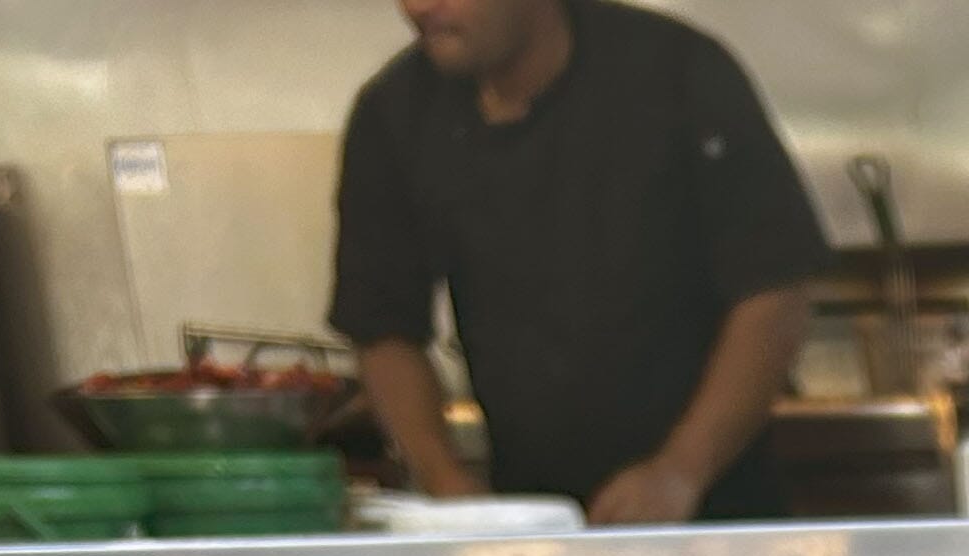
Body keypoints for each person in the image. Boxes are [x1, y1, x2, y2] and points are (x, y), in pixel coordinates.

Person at [329, 0, 826, 523]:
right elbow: (382, 325)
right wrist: (443, 480)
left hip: (714, 521)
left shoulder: (676, 74)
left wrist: (681, 471)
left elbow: (774, 291)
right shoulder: (396, 113)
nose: (419, 6)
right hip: (533, 526)